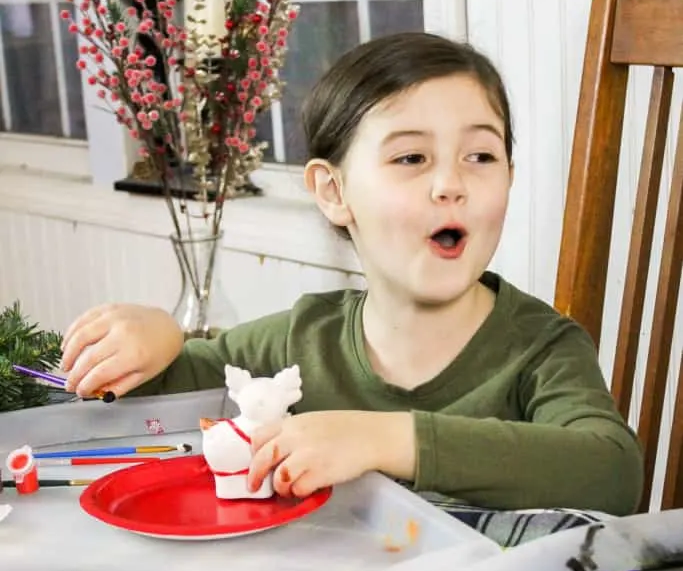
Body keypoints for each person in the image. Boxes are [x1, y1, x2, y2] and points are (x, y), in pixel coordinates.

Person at [60, 33, 643, 514]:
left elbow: (610, 472)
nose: (451, 184)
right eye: (412, 158)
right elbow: (163, 397)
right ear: (334, 192)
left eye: (481, 157)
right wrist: (160, 338)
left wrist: (383, 438)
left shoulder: (542, 350)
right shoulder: (298, 341)